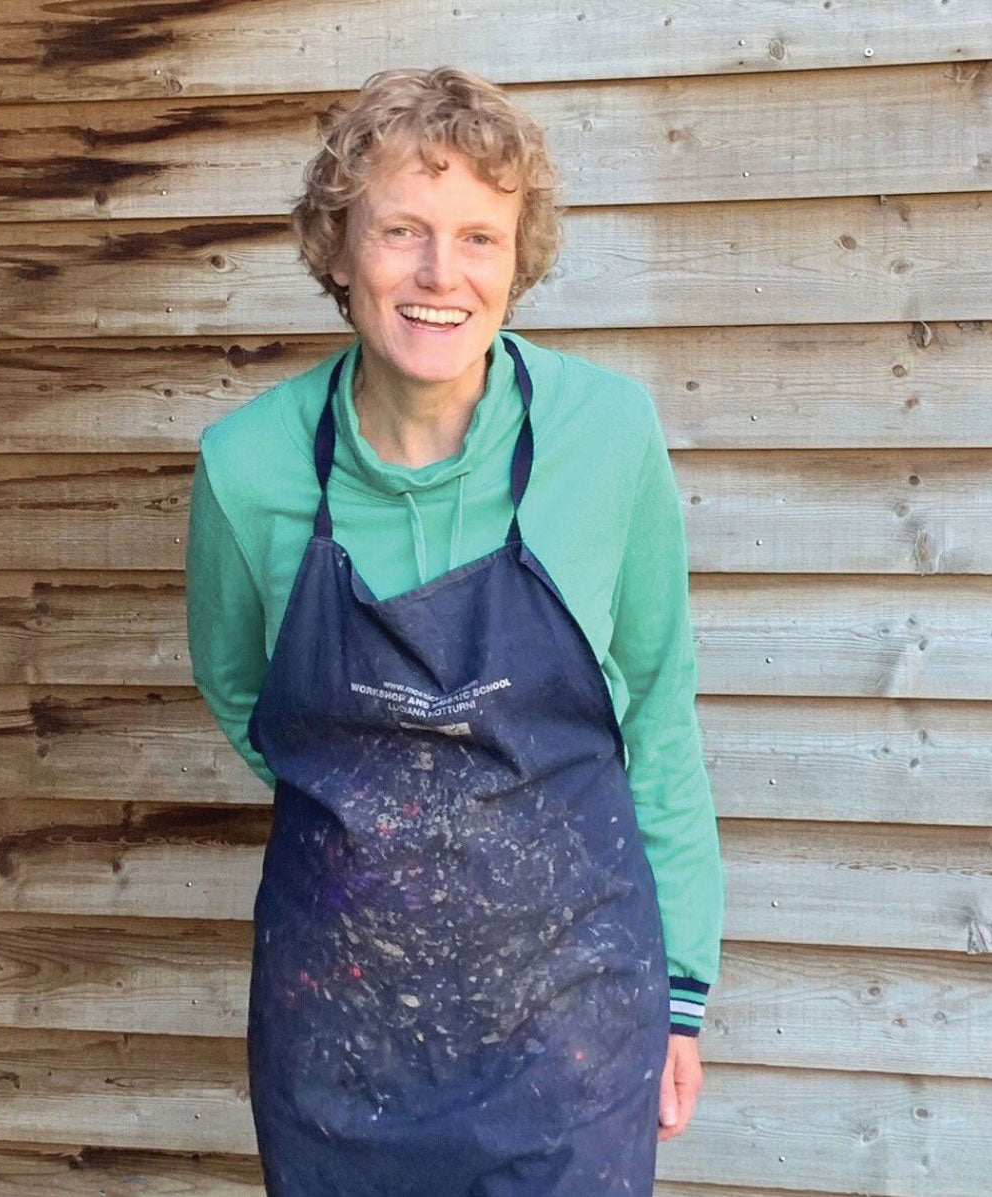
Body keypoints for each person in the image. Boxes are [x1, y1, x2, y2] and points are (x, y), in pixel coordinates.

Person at [185, 65, 724, 1197]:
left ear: (517, 261)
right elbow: (247, 702)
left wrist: (680, 990)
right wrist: (387, 832)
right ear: (339, 249)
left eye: (480, 237)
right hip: (339, 1039)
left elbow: (660, 710)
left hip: (571, 1031)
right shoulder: (247, 467)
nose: (442, 275)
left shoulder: (608, 436)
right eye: (402, 231)